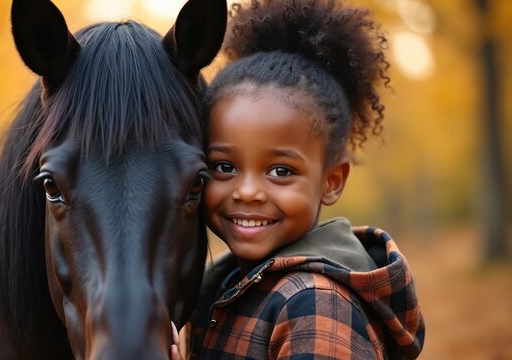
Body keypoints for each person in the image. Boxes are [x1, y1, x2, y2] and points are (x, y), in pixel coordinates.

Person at [171, 0, 426, 359]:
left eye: (281, 171)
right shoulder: (223, 286)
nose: (247, 191)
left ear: (332, 181)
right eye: (224, 167)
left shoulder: (315, 304)